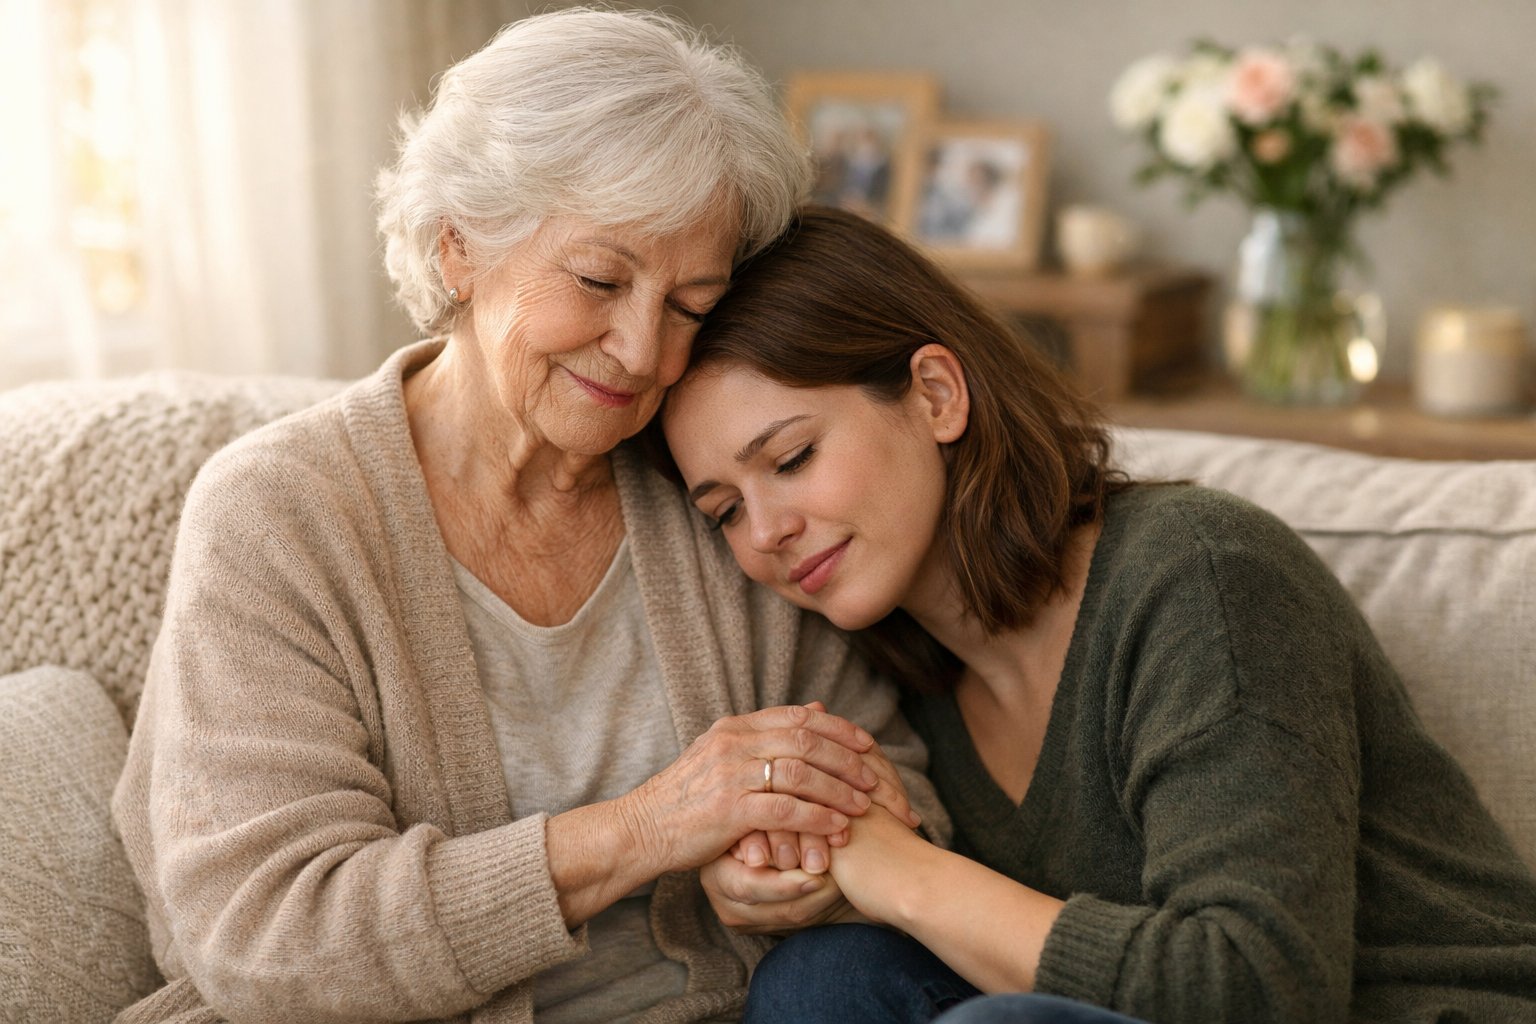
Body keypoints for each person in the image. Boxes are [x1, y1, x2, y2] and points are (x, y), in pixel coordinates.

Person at [111, 15, 944, 1024]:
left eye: (689, 306)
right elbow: (269, 935)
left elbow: (894, 792)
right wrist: (646, 828)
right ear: (459, 244)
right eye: (599, 281)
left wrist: (798, 871)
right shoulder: (283, 513)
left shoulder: (717, 491)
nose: (642, 351)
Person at [657, 206, 1536, 1024]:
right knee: (823, 983)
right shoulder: (898, 685)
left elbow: (1258, 989)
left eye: (793, 456)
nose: (767, 532)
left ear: (935, 394)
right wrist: (821, 877)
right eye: (725, 510)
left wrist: (896, 869)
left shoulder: (1204, 575)